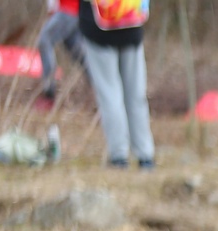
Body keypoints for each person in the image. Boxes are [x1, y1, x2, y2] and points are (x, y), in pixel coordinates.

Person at [77, 0, 152, 169]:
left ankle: (119, 156)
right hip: (132, 24)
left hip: (99, 31)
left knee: (109, 95)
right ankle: (145, 155)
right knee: (136, 94)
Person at [34, 0, 85, 110]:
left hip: (68, 10)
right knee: (80, 54)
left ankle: (49, 94)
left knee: (45, 41)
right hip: (70, 11)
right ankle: (106, 94)